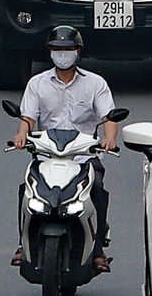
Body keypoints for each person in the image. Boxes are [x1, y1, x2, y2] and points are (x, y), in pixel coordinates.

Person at [12, 26, 119, 270]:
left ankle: (98, 250)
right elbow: (28, 118)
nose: (62, 54)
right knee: (26, 191)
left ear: (77, 52)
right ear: (49, 52)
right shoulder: (37, 83)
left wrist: (109, 139)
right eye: (57, 49)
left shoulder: (95, 83)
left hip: (83, 156)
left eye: (67, 49)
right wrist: (21, 136)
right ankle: (23, 243)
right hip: (47, 155)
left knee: (98, 190)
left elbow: (109, 118)